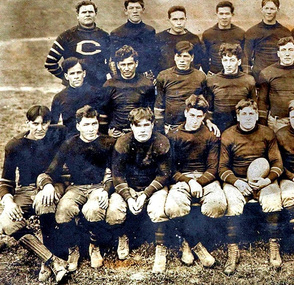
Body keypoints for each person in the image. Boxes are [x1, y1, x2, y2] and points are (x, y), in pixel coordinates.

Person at [37, 105, 115, 271]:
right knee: (63, 210)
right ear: (78, 126)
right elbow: (51, 170)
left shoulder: (107, 142)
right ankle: (74, 248)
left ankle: (94, 246)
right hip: (76, 187)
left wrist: (105, 189)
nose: (91, 128)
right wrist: (47, 185)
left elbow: (114, 172)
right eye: (86, 125)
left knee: (94, 209)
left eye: (94, 124)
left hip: (98, 186)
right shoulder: (69, 144)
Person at [0, 105, 68, 283]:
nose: (40, 128)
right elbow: (6, 181)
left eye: (44, 123)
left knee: (45, 201)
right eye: (35, 124)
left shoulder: (58, 134)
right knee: (7, 222)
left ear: (50, 123)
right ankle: (52, 261)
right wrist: (8, 201)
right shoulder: (15, 145)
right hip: (26, 188)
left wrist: (50, 185)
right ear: (27, 123)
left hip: (53, 184)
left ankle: (48, 263)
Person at [219, 99, 283, 274]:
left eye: (251, 114)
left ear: (256, 115)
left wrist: (267, 180)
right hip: (238, 180)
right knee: (231, 202)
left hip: (262, 180)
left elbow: (277, 162)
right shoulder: (228, 135)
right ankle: (233, 251)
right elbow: (222, 167)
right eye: (244, 114)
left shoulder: (267, 133)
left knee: (273, 199)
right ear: (238, 116)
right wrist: (237, 182)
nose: (248, 117)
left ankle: (274, 245)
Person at [105, 107, 171, 273]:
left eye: (146, 125)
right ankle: (123, 236)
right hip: (130, 186)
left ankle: (160, 249)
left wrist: (145, 195)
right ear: (132, 126)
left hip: (153, 187)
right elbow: (117, 175)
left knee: (158, 208)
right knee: (114, 209)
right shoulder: (123, 142)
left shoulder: (161, 141)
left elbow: (164, 174)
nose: (142, 129)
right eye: (138, 125)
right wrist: (128, 197)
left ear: (153, 125)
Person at [166, 94, 227, 267]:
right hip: (182, 179)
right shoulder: (174, 135)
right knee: (173, 206)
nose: (195, 120)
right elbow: (171, 170)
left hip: (205, 179)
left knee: (217, 204)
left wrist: (199, 182)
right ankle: (191, 244)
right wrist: (189, 181)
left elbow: (213, 168)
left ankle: (198, 239)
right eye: (192, 115)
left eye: (199, 116)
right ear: (186, 113)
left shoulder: (210, 136)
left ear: (204, 117)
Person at [45, 0, 110, 87]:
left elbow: (112, 61)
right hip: (75, 89)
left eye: (90, 12)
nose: (87, 14)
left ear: (95, 14)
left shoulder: (105, 36)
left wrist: (104, 76)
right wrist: (66, 78)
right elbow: (50, 63)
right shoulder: (66, 36)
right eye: (84, 12)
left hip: (99, 87)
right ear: (78, 16)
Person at [101, 45, 155, 138]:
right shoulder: (109, 85)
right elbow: (103, 113)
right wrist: (107, 132)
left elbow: (151, 112)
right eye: (123, 64)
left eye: (130, 64)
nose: (126, 68)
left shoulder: (147, 84)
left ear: (136, 63)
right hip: (117, 133)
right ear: (118, 65)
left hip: (139, 132)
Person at [154, 41, 207, 134]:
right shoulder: (164, 76)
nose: (182, 60)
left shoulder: (200, 77)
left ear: (192, 58)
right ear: (174, 57)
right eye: (179, 56)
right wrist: (160, 130)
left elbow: (204, 104)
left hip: (193, 127)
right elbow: (159, 106)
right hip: (171, 127)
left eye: (185, 56)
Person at [205, 43, 256, 133]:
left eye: (232, 60)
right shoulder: (212, 80)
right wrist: (208, 122)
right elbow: (209, 108)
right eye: (225, 60)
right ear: (221, 61)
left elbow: (254, 106)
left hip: (241, 127)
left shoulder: (249, 80)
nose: (228, 64)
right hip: (219, 126)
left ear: (239, 61)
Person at [51, 57, 103, 137]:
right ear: (66, 76)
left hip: (92, 137)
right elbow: (53, 124)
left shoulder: (96, 93)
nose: (76, 76)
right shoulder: (59, 97)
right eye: (72, 73)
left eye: (78, 72)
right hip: (70, 139)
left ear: (84, 73)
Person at [244, 0, 291, 80]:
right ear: (262, 10)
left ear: (278, 10)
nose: (269, 12)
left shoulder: (285, 32)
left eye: (272, 9)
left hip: (279, 75)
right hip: (259, 75)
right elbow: (246, 56)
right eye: (266, 8)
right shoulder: (252, 32)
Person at [110, 0, 157, 77]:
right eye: (131, 8)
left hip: (145, 77)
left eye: (137, 8)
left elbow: (154, 57)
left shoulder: (150, 31)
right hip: (125, 76)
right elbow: (115, 60)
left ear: (143, 10)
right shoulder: (117, 33)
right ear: (125, 11)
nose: (135, 11)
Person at [258, 36, 294, 132]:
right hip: (277, 122)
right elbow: (262, 101)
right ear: (278, 53)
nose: (287, 54)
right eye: (283, 50)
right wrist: (262, 126)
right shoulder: (267, 73)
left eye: (291, 50)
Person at [155, 6, 204, 73]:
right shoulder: (159, 38)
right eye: (175, 19)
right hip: (165, 79)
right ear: (169, 20)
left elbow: (198, 62)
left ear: (185, 19)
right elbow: (154, 61)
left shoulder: (194, 38)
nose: (179, 23)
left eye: (181, 19)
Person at [202, 1, 245, 75]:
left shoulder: (240, 33)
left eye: (227, 14)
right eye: (221, 14)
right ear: (216, 14)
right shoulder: (208, 34)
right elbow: (203, 57)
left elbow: (245, 57)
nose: (224, 17)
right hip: (215, 75)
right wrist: (208, 72)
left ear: (232, 14)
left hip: (235, 75)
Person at [276, 100, 294, 234]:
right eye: (293, 117)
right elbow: (278, 163)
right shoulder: (281, 134)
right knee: (290, 194)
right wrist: (292, 177)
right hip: (288, 176)